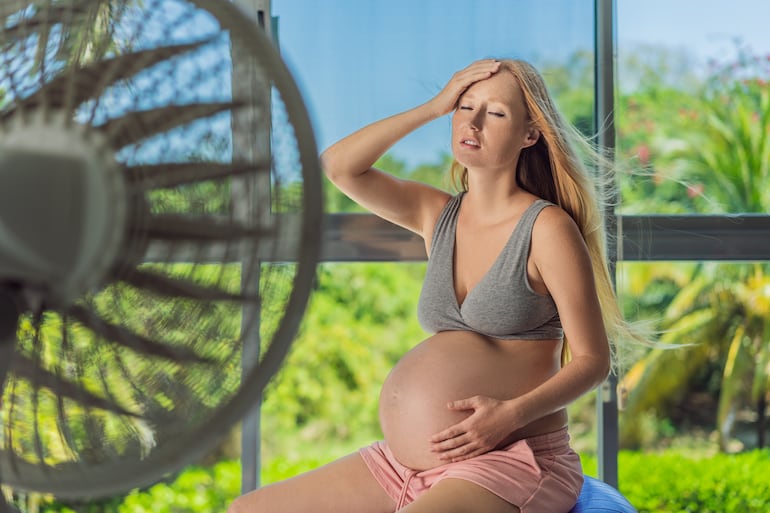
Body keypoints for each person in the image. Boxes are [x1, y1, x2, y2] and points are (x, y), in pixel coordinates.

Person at [228, 58, 638, 513]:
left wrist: (509, 416)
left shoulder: (546, 228)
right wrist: (432, 107)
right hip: (403, 466)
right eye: (465, 107)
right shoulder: (437, 214)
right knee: (247, 510)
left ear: (530, 134)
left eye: (496, 113)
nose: (474, 122)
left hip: (508, 460)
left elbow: (592, 361)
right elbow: (339, 166)